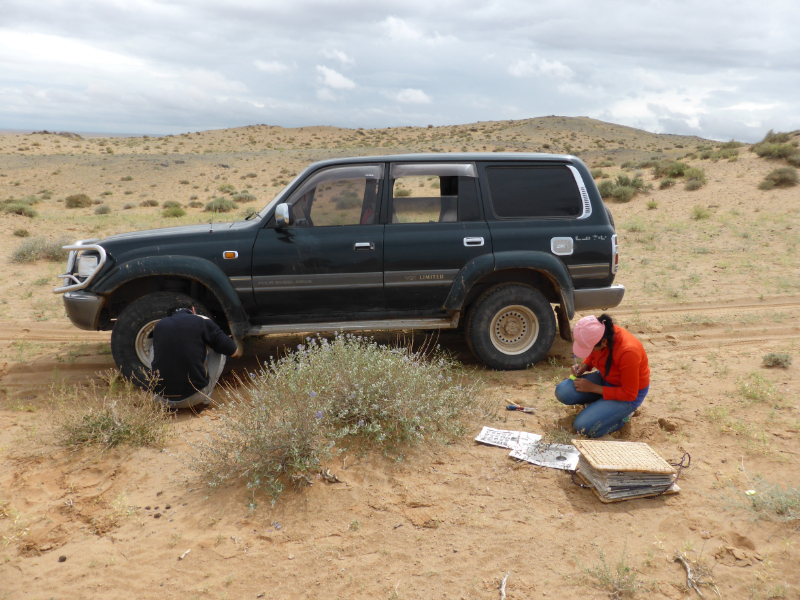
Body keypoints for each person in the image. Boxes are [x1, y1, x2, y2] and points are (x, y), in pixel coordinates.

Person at [555, 314, 650, 438]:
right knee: (562, 391)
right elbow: (594, 353)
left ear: (604, 342)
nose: (588, 351)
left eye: (589, 348)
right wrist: (585, 365)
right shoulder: (600, 333)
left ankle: (623, 417)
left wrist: (593, 388)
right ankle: (601, 404)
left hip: (628, 396)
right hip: (606, 377)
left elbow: (629, 394)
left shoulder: (628, 352)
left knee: (583, 427)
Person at [151, 305, 239, 408]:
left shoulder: (160, 325)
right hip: (193, 399)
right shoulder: (201, 321)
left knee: (154, 346)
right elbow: (234, 352)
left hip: (160, 399)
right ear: (193, 310)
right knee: (219, 349)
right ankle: (205, 400)